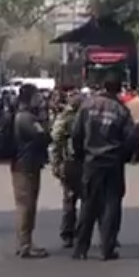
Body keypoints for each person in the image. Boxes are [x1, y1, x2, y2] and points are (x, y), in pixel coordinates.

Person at [71, 74, 137, 260]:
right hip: (113, 162)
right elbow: (131, 137)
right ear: (118, 89)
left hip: (92, 161)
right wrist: (124, 155)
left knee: (88, 204)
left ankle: (80, 248)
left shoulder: (87, 106)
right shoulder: (121, 111)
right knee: (111, 205)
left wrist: (80, 155)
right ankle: (107, 248)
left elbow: (76, 133)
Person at [11, 84, 51, 258]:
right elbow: (43, 136)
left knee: (27, 204)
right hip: (26, 165)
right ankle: (25, 244)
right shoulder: (26, 118)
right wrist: (44, 120)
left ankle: (26, 242)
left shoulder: (24, 116)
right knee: (26, 206)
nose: (40, 100)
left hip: (26, 164)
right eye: (37, 96)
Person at [50, 88, 83, 248]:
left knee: (71, 200)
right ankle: (74, 233)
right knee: (80, 200)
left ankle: (71, 234)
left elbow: (55, 140)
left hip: (74, 163)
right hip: (76, 162)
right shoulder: (72, 116)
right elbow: (56, 141)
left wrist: (56, 164)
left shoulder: (66, 116)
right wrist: (56, 163)